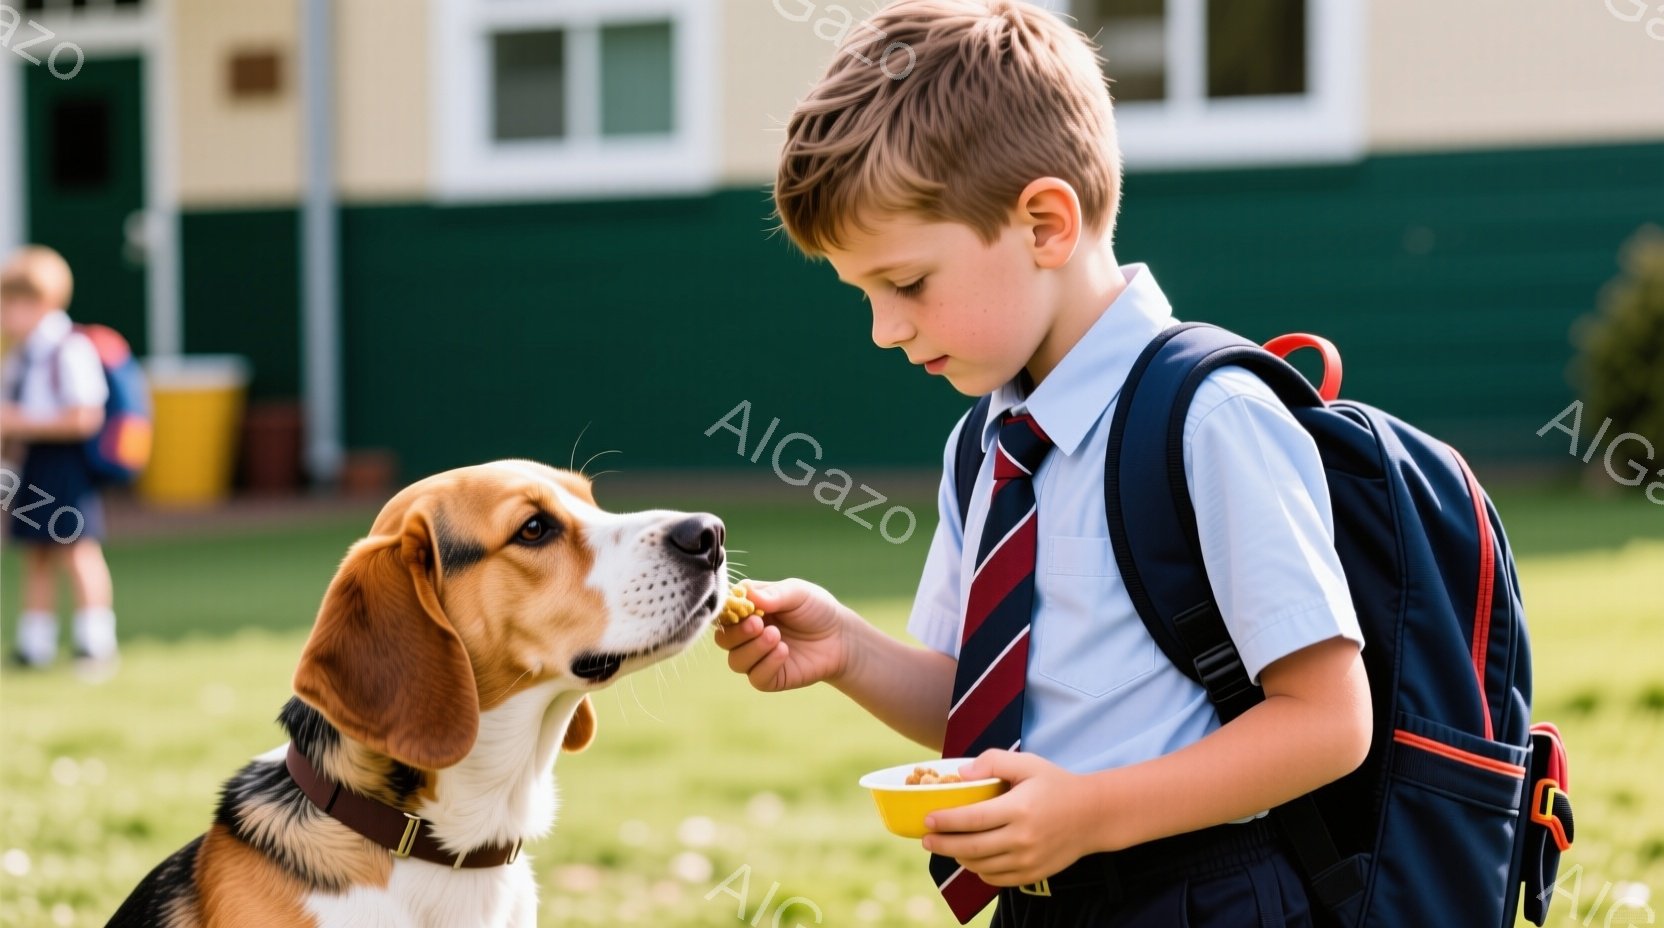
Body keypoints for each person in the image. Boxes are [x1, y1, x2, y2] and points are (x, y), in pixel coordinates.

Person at [716, 2, 1371, 925]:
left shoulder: (1210, 417)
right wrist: (846, 651)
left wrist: (1090, 814)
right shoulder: (984, 446)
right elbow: (980, 700)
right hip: (1047, 894)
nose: (884, 329)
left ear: (1045, 224)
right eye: (862, 294)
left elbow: (1328, 722)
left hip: (1208, 895)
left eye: (904, 284)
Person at [1, 245, 119, 674]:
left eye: (14, 304)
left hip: (65, 465)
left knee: (77, 550)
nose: (6, 314)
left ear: (43, 304)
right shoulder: (17, 358)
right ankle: (35, 644)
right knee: (36, 552)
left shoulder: (69, 350)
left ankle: (95, 641)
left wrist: (20, 420)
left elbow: (84, 417)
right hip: (31, 464)